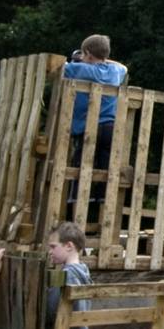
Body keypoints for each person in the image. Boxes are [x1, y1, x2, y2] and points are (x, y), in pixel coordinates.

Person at [63, 34, 127, 205]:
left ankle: (76, 197)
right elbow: (124, 67)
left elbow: (59, 67)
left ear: (88, 54)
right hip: (109, 128)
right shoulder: (115, 72)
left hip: (88, 128)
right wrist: (101, 58)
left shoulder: (81, 69)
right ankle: (101, 197)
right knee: (105, 167)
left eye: (84, 55)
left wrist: (78, 60)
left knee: (81, 164)